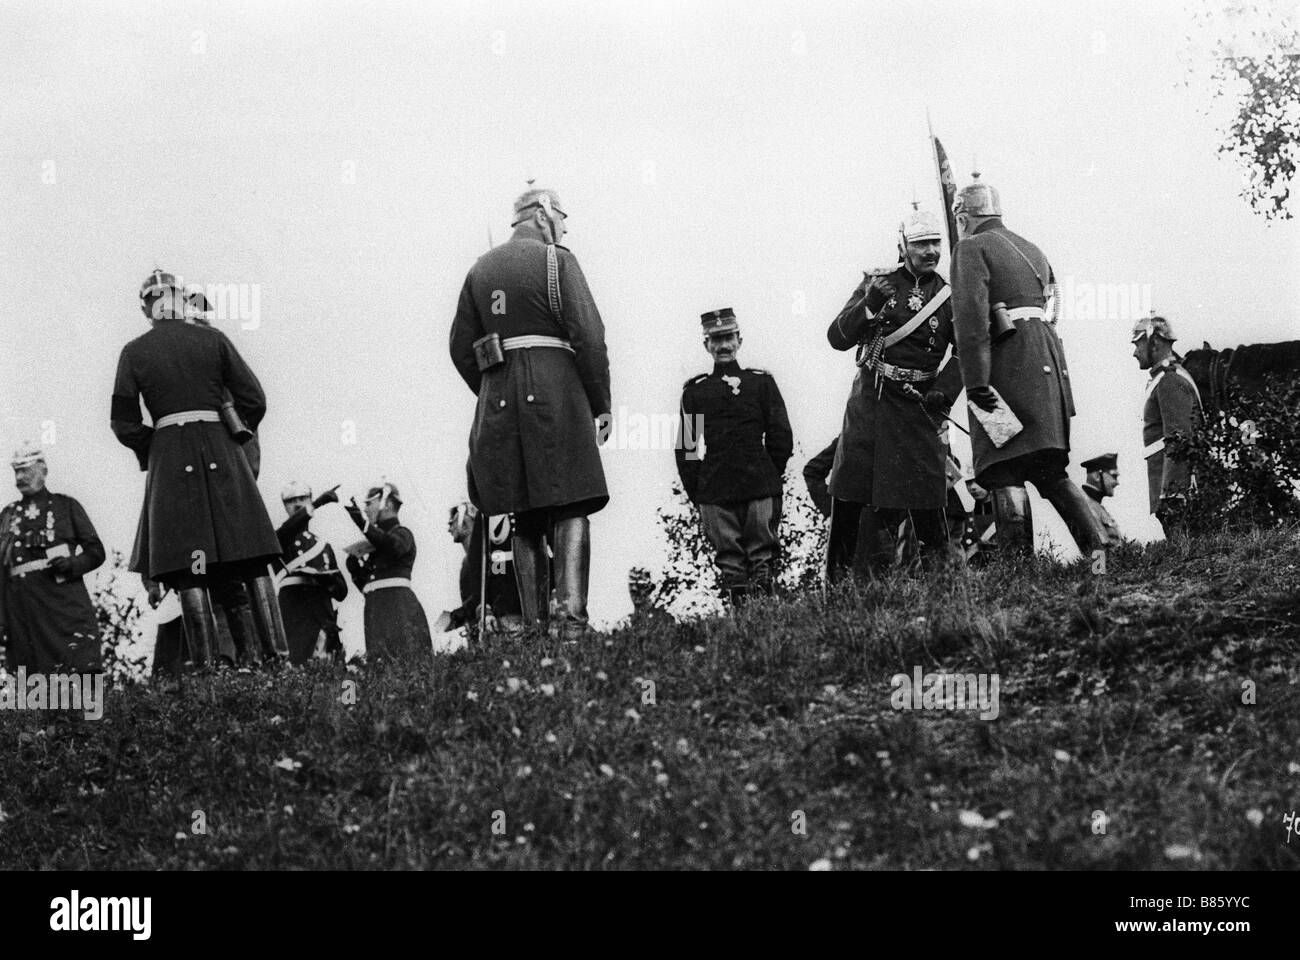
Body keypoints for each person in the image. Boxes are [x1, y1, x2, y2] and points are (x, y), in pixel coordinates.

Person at [449, 186, 611, 639]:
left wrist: (491, 391)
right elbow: (590, 335)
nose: (563, 225)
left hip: (499, 405)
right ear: (541, 215)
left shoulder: (478, 269)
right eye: (561, 215)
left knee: (522, 513)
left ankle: (536, 627)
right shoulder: (558, 260)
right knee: (572, 502)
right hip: (557, 392)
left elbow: (460, 348)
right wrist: (600, 403)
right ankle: (571, 624)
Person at [111, 269, 287, 667]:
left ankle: (207, 668)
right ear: (179, 298)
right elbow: (254, 399)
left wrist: (155, 446)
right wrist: (229, 433)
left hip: (170, 462)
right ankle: (271, 660)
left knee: (187, 561)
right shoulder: (213, 339)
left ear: (146, 308)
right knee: (248, 553)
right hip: (221, 451)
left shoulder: (133, 352)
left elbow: (122, 422)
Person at [949, 174, 1107, 558]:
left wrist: (975, 384)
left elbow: (970, 324)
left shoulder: (970, 248)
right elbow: (1051, 309)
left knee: (1004, 468)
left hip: (1003, 372)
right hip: (1046, 367)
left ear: (963, 217)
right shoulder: (1032, 248)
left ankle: (1019, 575)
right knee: (1049, 469)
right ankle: (1100, 559)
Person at [825, 209, 964, 581]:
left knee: (928, 500)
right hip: (871, 401)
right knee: (849, 494)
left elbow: (966, 351)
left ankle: (943, 587)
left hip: (919, 407)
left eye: (935, 243)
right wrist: (869, 303)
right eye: (921, 244)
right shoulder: (877, 282)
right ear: (903, 247)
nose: (931, 251)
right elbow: (837, 338)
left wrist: (943, 392)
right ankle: (834, 590)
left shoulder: (950, 295)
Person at [676, 307, 793, 605]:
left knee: (762, 561)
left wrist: (769, 476)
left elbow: (781, 435)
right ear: (706, 345)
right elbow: (687, 449)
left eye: (728, 337)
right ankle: (741, 632)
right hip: (716, 493)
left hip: (759, 487)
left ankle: (768, 627)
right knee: (731, 568)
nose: (723, 345)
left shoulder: (761, 383)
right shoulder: (696, 392)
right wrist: (700, 492)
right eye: (715, 340)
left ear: (739, 340)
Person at [0, 442, 105, 673]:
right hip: (21, 606)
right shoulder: (7, 515)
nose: (20, 477)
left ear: (43, 471)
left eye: (26, 470)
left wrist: (72, 564)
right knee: (27, 674)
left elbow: (96, 551)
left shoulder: (66, 506)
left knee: (76, 665)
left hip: (62, 603)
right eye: (16, 470)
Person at [1131, 316, 1203, 536]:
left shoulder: (1169, 380)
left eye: (1138, 343)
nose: (1135, 352)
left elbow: (1179, 439)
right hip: (1166, 486)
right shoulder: (1163, 378)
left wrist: (1172, 494)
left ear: (1155, 342)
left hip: (1174, 492)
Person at [343, 482, 432, 660]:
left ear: (388, 504)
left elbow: (393, 546)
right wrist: (355, 571)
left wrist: (364, 525)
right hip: (376, 615)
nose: (366, 510)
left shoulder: (403, 534)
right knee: (381, 669)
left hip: (400, 611)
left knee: (407, 664)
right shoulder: (376, 545)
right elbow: (369, 587)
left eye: (369, 504)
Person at [276, 482, 347, 664]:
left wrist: (328, 580)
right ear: (285, 506)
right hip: (294, 612)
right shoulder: (278, 538)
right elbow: (289, 528)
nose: (298, 504)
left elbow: (342, 592)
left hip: (322, 612)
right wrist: (316, 503)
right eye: (291, 500)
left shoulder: (323, 546)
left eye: (303, 499)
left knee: (330, 669)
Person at [436, 502, 522, 637]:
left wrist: (457, 615)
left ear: (462, 522)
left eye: (451, 523)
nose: (449, 529)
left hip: (504, 617)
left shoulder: (480, 558)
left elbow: (496, 581)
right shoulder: (470, 562)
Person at [1080, 452, 1122, 545]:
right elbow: (1097, 549)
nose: (1117, 482)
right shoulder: (1084, 505)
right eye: (1114, 476)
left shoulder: (1096, 506)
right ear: (1097, 476)